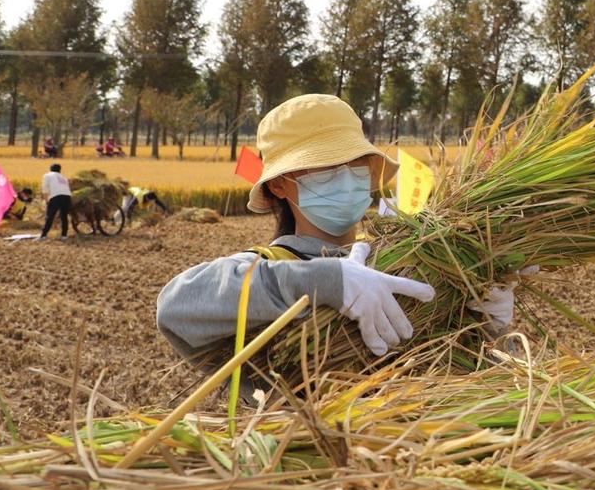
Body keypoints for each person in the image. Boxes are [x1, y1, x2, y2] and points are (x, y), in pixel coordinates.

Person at [157, 94, 520, 365]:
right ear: (280, 186)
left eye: (355, 164)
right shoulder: (272, 265)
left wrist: (481, 323)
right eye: (326, 167)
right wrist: (327, 282)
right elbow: (175, 307)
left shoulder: (401, 262)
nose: (347, 178)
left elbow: (438, 368)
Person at [40, 164, 72, 239]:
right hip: (67, 197)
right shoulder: (64, 177)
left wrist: (46, 200)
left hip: (56, 196)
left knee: (50, 216)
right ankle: (64, 235)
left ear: (50, 169)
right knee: (64, 216)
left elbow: (45, 188)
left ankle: (43, 235)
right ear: (59, 170)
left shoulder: (47, 175)